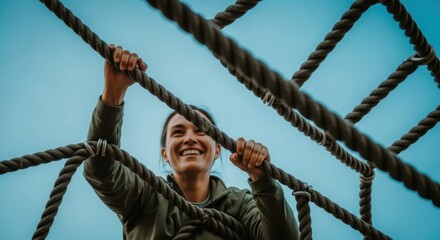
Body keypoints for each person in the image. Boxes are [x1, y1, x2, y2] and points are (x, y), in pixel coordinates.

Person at [83, 44, 299, 239]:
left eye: (200, 131)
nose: (189, 139)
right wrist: (113, 93)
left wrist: (263, 180)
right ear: (165, 154)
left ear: (217, 150)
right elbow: (100, 169)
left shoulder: (240, 204)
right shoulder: (145, 196)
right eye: (177, 133)